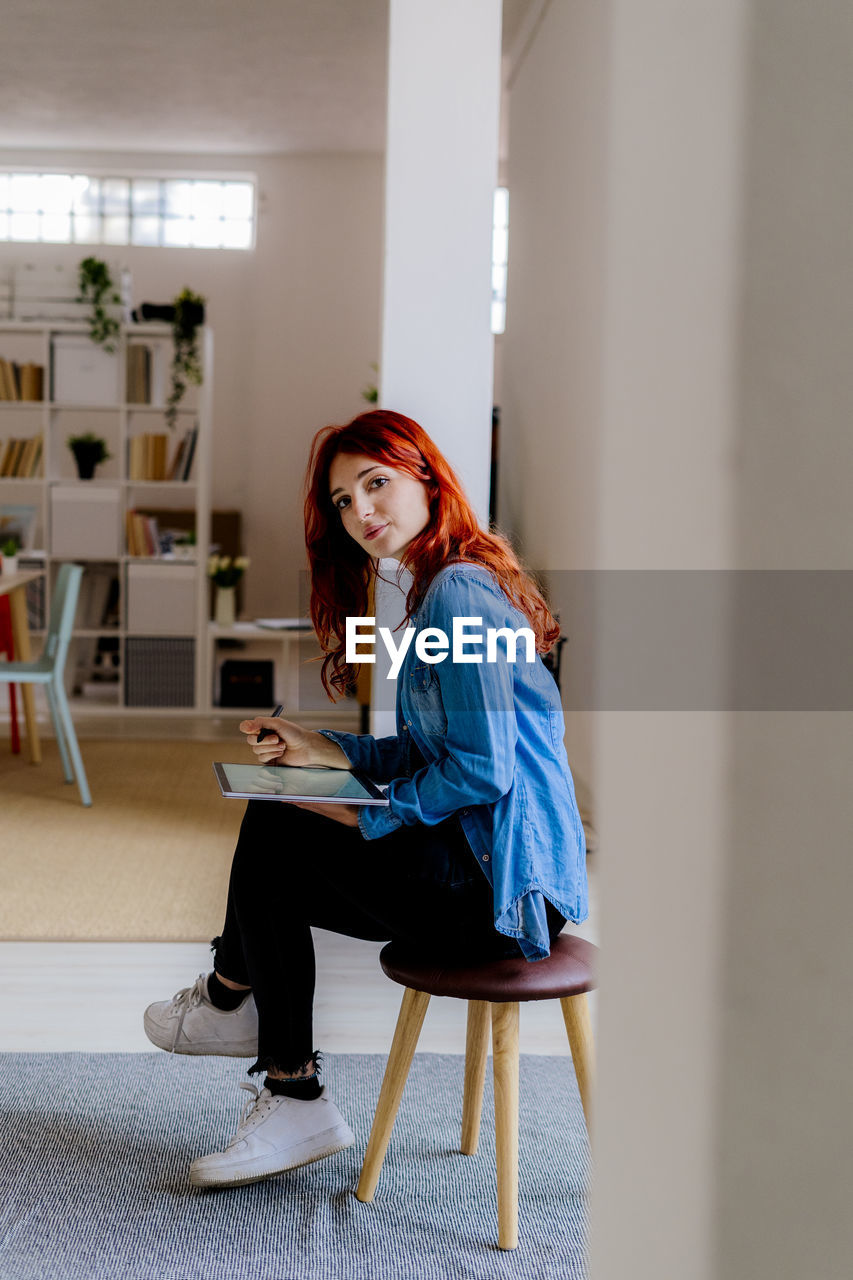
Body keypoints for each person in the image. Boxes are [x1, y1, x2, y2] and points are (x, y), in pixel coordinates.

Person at [144, 409, 588, 1189]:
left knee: (280, 828)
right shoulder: (446, 588)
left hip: (500, 895)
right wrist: (326, 749)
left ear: (425, 476)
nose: (361, 512)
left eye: (375, 484)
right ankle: (262, 1049)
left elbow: (482, 772)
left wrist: (362, 811)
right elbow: (433, 752)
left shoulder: (457, 592)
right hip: (499, 880)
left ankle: (245, 1020)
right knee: (278, 817)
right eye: (344, 501)